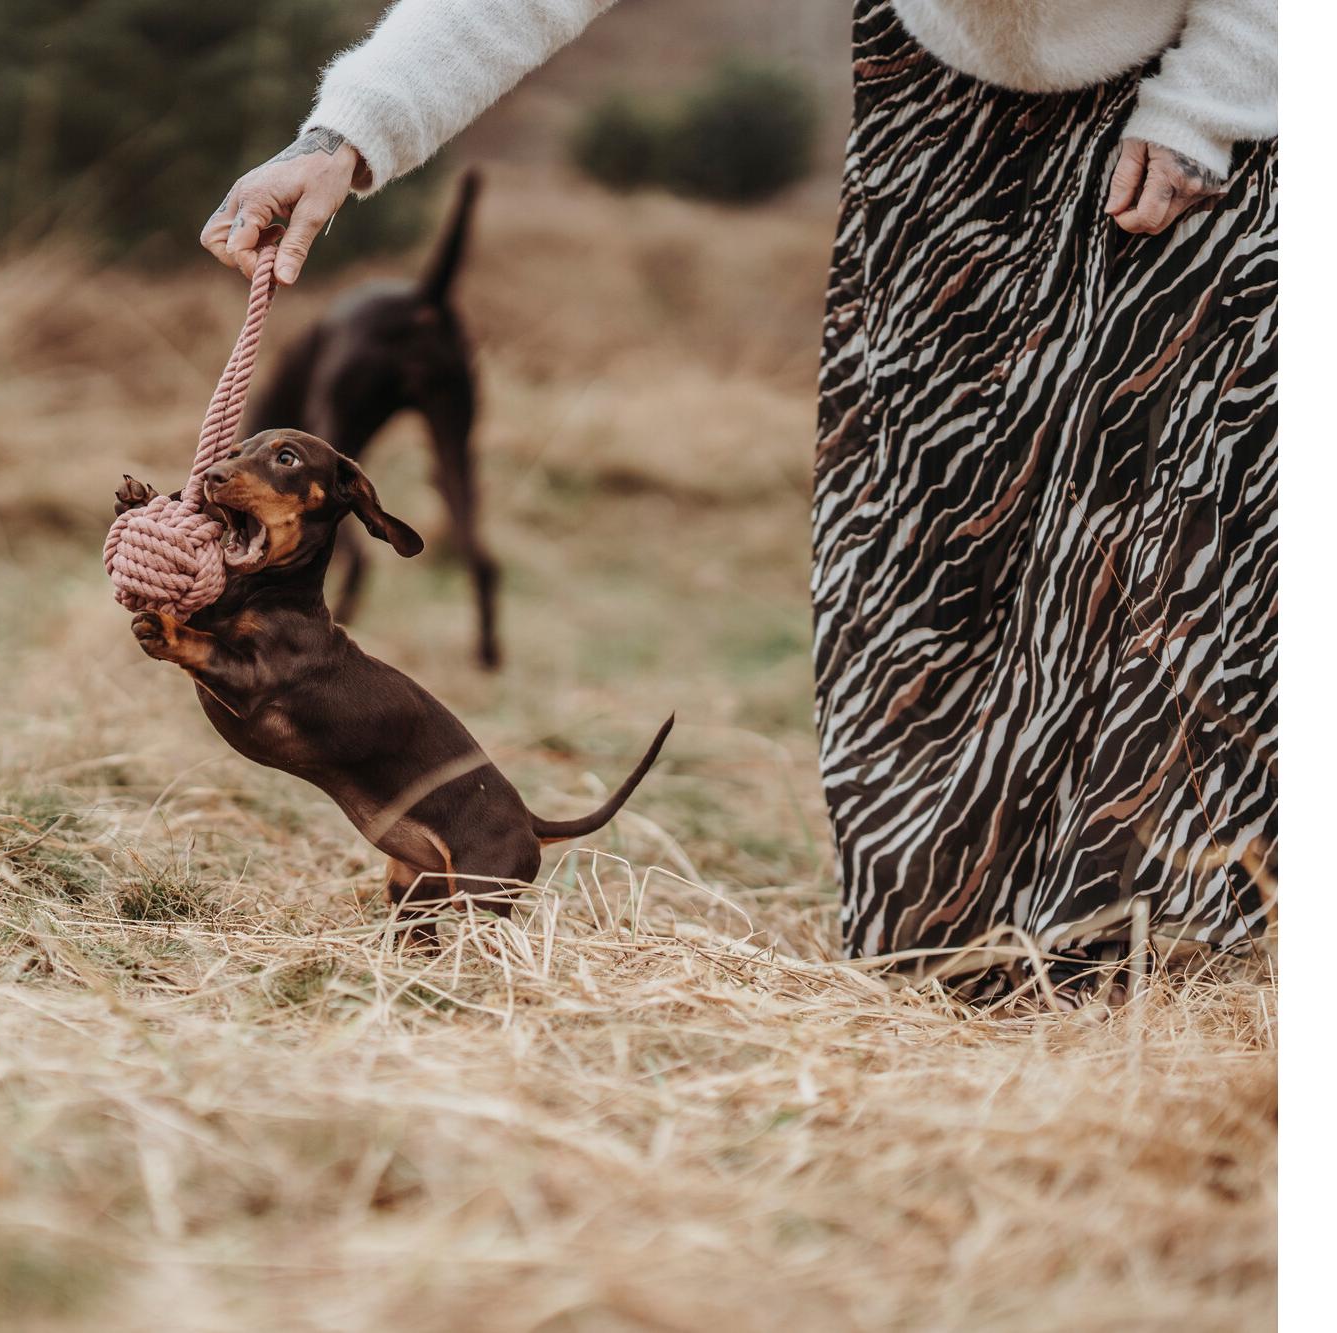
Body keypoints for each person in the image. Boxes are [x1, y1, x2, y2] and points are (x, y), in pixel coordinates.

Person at [205, 0, 1277, 980]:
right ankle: (958, 937)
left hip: (1219, 80)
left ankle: (1157, 931)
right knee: (917, 521)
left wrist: (1212, 104)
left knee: (1161, 529)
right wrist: (343, 138)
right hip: (943, 110)